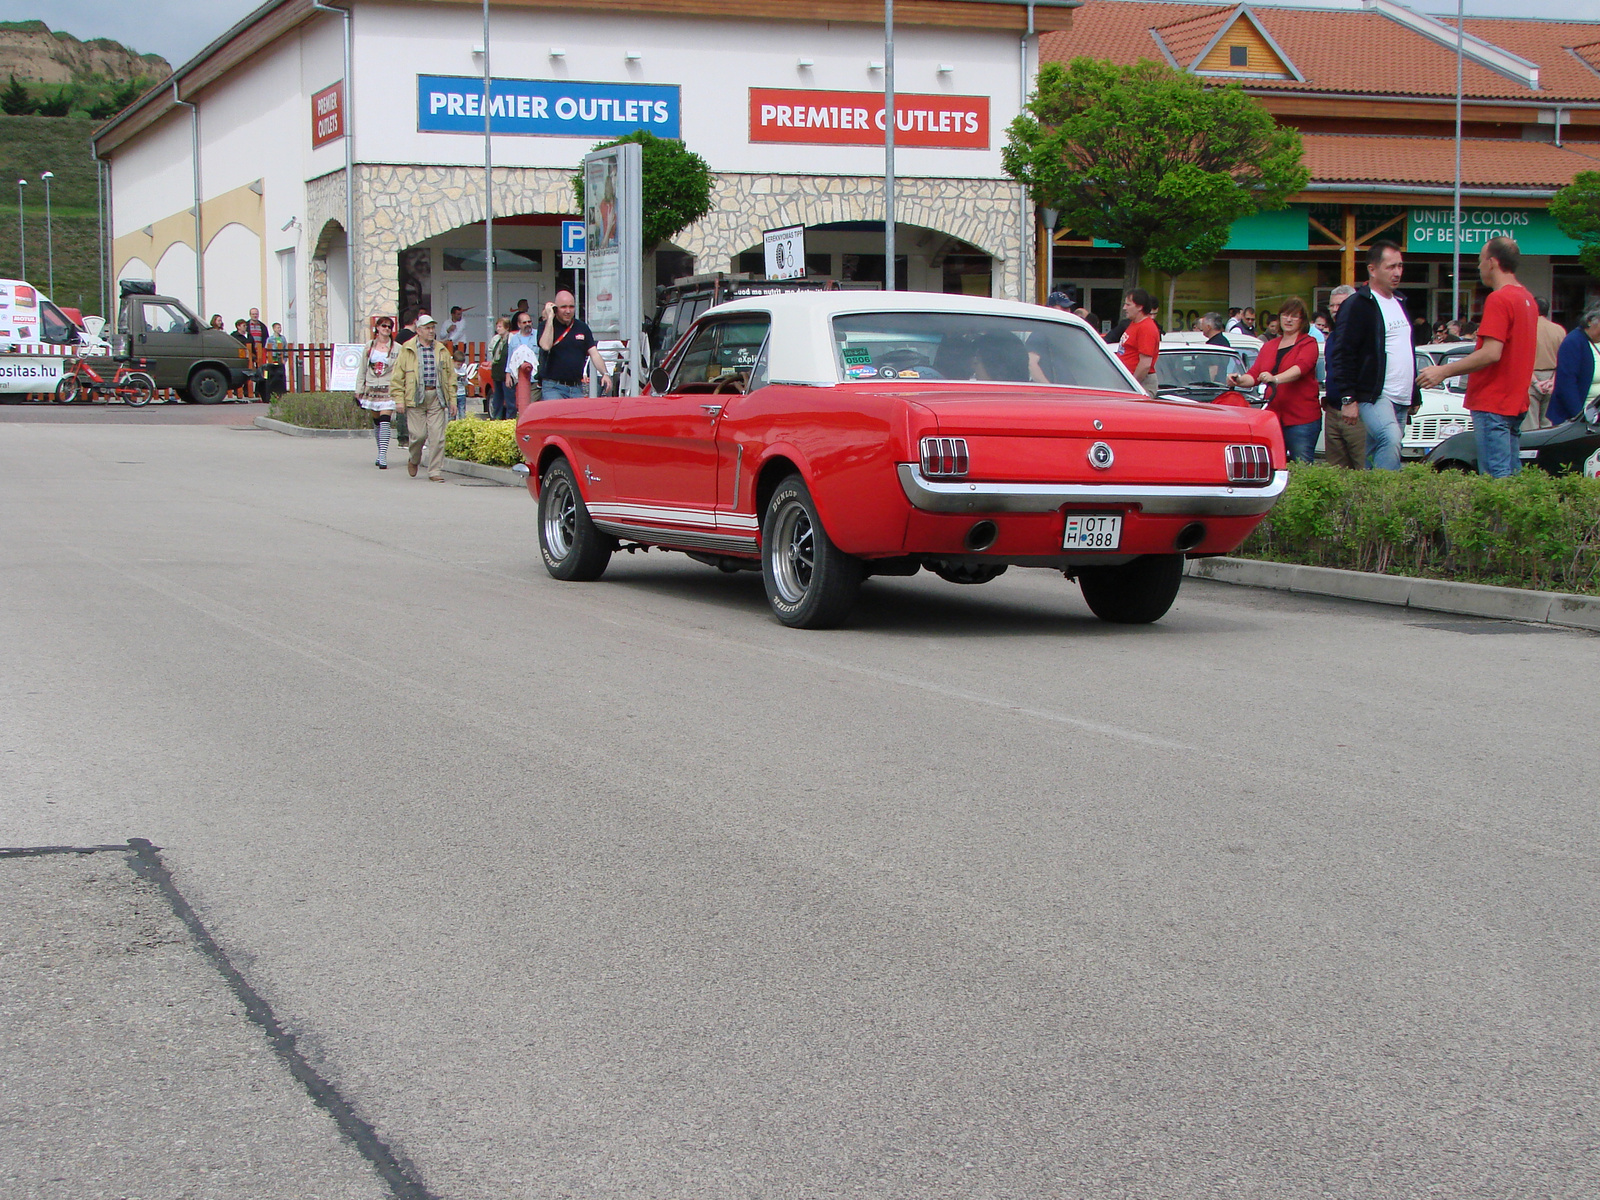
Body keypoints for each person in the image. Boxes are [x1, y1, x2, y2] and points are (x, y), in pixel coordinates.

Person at [1417, 237, 1537, 478]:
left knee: (1495, 479)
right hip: (1515, 401)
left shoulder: (1499, 298)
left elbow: (1491, 353)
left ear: (1492, 262)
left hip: (1493, 401)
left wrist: (1442, 371)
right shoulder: (1527, 299)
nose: (1479, 266)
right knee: (1511, 477)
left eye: (1480, 260)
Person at [1326, 240, 1419, 471]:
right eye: (1390, 267)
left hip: (1402, 394)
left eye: (1400, 266)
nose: (1397, 272)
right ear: (1372, 269)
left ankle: (1365, 498)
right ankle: (1385, 496)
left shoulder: (1400, 301)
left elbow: (1406, 349)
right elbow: (1343, 352)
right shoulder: (1358, 304)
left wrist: (1415, 394)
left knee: (1375, 450)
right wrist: (1348, 398)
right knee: (1390, 438)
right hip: (1375, 393)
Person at [1229, 296, 1321, 464]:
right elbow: (1255, 374)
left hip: (1302, 419)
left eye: (1294, 316)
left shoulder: (1309, 343)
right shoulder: (1270, 345)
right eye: (1285, 315)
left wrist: (1275, 379)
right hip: (1274, 418)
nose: (1289, 319)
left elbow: (1300, 369)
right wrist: (1239, 380)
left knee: (1302, 467)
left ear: (1302, 320)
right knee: (1274, 465)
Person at [388, 313, 457, 482]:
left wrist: (452, 400)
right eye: (427, 328)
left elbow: (450, 376)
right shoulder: (407, 348)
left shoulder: (441, 349)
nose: (431, 331)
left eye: (433, 328)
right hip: (415, 397)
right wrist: (399, 399)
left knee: (437, 437)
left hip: (437, 396)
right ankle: (414, 459)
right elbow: (398, 376)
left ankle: (434, 471)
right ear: (418, 330)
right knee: (418, 436)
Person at [1320, 285, 1365, 469]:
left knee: (1363, 469)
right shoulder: (1332, 336)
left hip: (1357, 412)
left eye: (1341, 305)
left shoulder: (1363, 334)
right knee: (1336, 473)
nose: (1336, 310)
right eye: (1333, 306)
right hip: (1333, 411)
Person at [538, 290, 611, 399]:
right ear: (556, 308)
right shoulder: (546, 326)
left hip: (576, 387)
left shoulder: (582, 327)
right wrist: (550, 318)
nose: (568, 311)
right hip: (553, 386)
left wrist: (605, 373)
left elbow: (594, 353)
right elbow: (545, 345)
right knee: (557, 416)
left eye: (571, 307)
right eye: (563, 307)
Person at [355, 316, 399, 469]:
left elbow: (400, 370)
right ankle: (380, 450)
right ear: (377, 328)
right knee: (377, 422)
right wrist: (359, 389)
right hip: (372, 387)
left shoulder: (397, 348)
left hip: (388, 387)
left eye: (389, 327)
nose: (386, 329)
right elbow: (362, 369)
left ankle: (383, 455)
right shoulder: (369, 347)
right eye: (384, 326)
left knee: (385, 419)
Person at [1547, 306, 1600, 427]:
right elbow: (1566, 384)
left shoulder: (1596, 341)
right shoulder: (1573, 341)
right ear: (1590, 321)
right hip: (1579, 415)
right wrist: (1580, 417)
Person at [1527, 298, 1565, 431]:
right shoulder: (1559, 330)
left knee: (1530, 426)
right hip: (1552, 377)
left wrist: (1536, 382)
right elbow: (1563, 358)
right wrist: (1552, 380)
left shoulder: (1526, 328)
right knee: (1548, 424)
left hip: (1530, 377)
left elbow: (1522, 358)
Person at [1116, 288, 1160, 395]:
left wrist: (1132, 384)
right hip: (1130, 380)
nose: (1124, 308)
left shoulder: (1146, 327)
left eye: (1128, 305)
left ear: (1140, 307)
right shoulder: (1135, 323)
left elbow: (1145, 364)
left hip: (1141, 383)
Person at [488, 316, 513, 420]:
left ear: (506, 327)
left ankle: (510, 419)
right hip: (497, 373)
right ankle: (496, 419)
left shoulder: (511, 339)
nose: (498, 329)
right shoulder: (496, 339)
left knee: (509, 399)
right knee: (497, 398)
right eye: (497, 326)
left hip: (507, 374)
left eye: (500, 326)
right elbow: (490, 351)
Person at [262, 321, 288, 403]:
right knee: (272, 375)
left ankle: (280, 391)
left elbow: (285, 348)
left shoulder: (283, 338)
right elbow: (266, 348)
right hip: (272, 358)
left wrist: (285, 358)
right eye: (277, 327)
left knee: (281, 375)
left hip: (280, 358)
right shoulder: (270, 339)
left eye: (280, 327)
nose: (279, 329)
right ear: (273, 329)